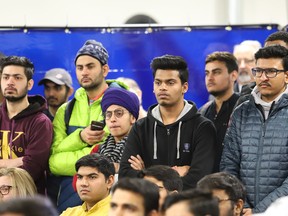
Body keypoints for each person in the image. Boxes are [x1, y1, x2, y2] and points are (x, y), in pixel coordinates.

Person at [48, 40, 126, 212]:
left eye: (90, 66)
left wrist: (68, 153)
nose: (84, 72)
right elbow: (53, 162)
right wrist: (80, 137)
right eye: (80, 67)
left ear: (105, 69)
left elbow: (106, 159)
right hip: (67, 204)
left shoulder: (120, 106)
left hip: (109, 204)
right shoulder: (65, 110)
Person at [119, 54, 216, 190]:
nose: (162, 88)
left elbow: (200, 178)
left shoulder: (202, 127)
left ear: (185, 87)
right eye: (158, 82)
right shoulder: (140, 127)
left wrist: (144, 172)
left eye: (170, 82)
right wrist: (172, 177)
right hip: (148, 207)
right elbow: (125, 175)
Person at [220, 45, 288, 215]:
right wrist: (239, 204)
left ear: (286, 75)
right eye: (258, 71)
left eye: (271, 71)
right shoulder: (242, 111)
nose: (263, 77)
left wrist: (261, 210)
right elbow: (229, 165)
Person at [0, 56, 53, 194]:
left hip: (27, 203)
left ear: (29, 84)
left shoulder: (40, 122)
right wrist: (18, 161)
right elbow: (26, 162)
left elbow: (31, 169)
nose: (10, 82)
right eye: (6, 77)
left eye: (17, 78)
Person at [200, 52, 239, 172]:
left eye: (216, 72)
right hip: (205, 184)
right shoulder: (202, 112)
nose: (210, 78)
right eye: (207, 73)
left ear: (233, 75)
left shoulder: (244, 109)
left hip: (234, 183)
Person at [91, 87, 139, 173]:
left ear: (132, 118)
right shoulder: (97, 150)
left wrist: (141, 172)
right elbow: (79, 178)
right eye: (108, 115)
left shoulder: (143, 148)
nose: (112, 119)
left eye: (119, 113)